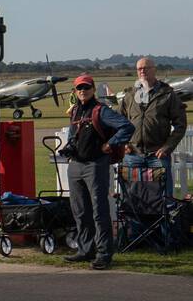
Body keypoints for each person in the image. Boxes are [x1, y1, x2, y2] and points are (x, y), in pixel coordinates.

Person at [63, 74, 134, 270]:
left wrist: (110, 144)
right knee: (80, 210)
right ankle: (86, 250)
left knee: (99, 210)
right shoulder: (76, 110)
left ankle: (104, 253)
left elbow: (127, 126)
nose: (82, 91)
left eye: (86, 88)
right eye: (79, 88)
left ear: (93, 89)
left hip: (95, 164)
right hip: (76, 165)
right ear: (75, 91)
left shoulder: (100, 110)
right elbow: (72, 136)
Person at [119, 57, 187, 199]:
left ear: (154, 70)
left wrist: (167, 147)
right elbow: (119, 122)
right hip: (133, 155)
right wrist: (124, 143)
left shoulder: (168, 94)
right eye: (139, 68)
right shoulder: (130, 95)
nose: (142, 70)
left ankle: (163, 222)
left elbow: (180, 124)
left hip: (158, 155)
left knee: (162, 197)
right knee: (132, 197)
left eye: (146, 67)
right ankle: (134, 222)